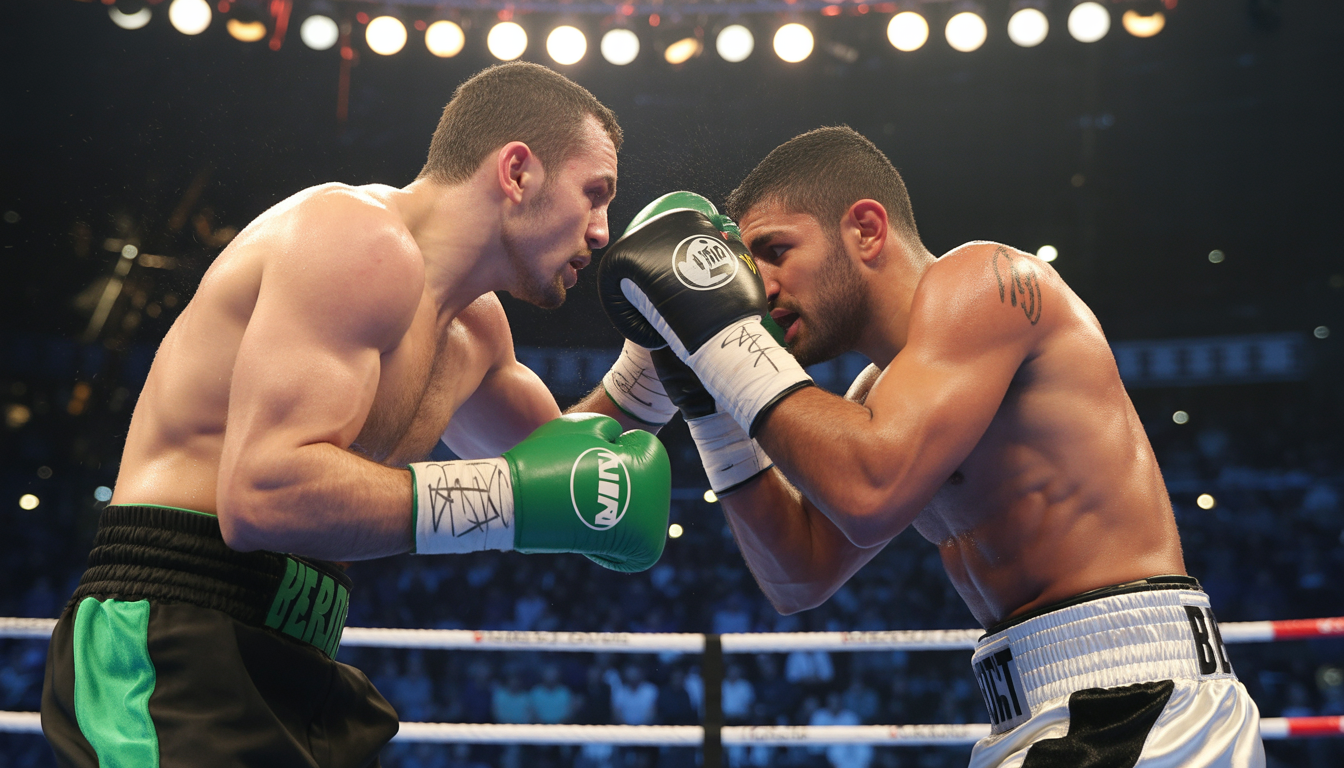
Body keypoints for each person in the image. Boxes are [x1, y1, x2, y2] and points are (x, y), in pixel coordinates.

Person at [41, 62, 674, 768]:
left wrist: (662, 359)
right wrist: (503, 502)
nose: (601, 231)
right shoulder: (355, 239)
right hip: (172, 635)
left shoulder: (476, 332)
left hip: (297, 647)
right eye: (594, 196)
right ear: (517, 171)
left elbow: (585, 484)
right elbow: (262, 495)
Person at [597, 126, 1264, 766]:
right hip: (1047, 714)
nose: (759, 290)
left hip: (1133, 704)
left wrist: (721, 338)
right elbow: (796, 576)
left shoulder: (986, 282)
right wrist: (708, 405)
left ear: (865, 228)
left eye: (776, 251)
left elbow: (870, 490)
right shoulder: (875, 401)